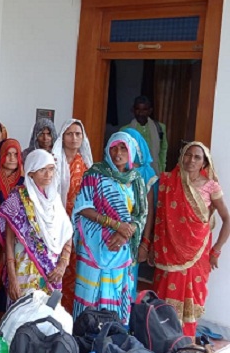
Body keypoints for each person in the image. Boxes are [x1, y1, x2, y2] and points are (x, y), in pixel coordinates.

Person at [153, 142, 229, 337]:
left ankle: (185, 341)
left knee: (192, 297)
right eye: (188, 155)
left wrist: (217, 250)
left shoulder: (211, 186)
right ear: (181, 157)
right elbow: (156, 214)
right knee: (165, 294)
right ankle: (161, 338)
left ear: (205, 163)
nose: (191, 160)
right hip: (169, 251)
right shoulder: (169, 181)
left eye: (197, 157)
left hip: (199, 253)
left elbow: (227, 218)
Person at [72, 132, 147, 325]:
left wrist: (124, 234)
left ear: (130, 151)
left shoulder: (136, 180)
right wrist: (115, 225)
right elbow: (82, 207)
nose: (118, 153)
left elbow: (140, 214)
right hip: (94, 246)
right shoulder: (95, 174)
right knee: (90, 298)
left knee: (114, 296)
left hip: (120, 249)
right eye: (114, 147)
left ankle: (112, 339)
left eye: (123, 148)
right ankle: (84, 337)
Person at [0, 149, 73, 302]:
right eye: (42, 170)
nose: (48, 174)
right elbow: (9, 241)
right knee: (23, 318)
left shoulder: (54, 200)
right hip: (24, 272)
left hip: (52, 272)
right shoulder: (17, 199)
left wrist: (63, 264)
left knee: (49, 318)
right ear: (30, 173)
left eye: (51, 169)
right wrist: (12, 276)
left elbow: (67, 233)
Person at [51, 119, 93, 312]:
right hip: (55, 223)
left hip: (80, 226)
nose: (74, 138)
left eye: (78, 134)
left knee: (75, 270)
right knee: (55, 269)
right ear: (62, 137)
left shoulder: (86, 165)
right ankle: (52, 313)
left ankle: (71, 316)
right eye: (69, 134)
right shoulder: (54, 162)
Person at [0, 138, 24, 334]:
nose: (11, 158)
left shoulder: (25, 184)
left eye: (15, 154)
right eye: (7, 154)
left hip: (16, 244)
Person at [121, 127, 158, 296]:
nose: (123, 151)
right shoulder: (112, 170)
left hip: (134, 234)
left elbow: (149, 212)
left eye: (127, 146)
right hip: (112, 232)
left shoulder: (146, 173)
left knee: (128, 278)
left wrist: (145, 242)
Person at [121, 95, 168, 174]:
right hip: (133, 171)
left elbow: (163, 149)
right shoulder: (125, 130)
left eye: (144, 110)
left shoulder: (159, 128)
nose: (141, 113)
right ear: (133, 110)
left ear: (150, 111)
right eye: (137, 109)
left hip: (154, 170)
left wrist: (162, 168)